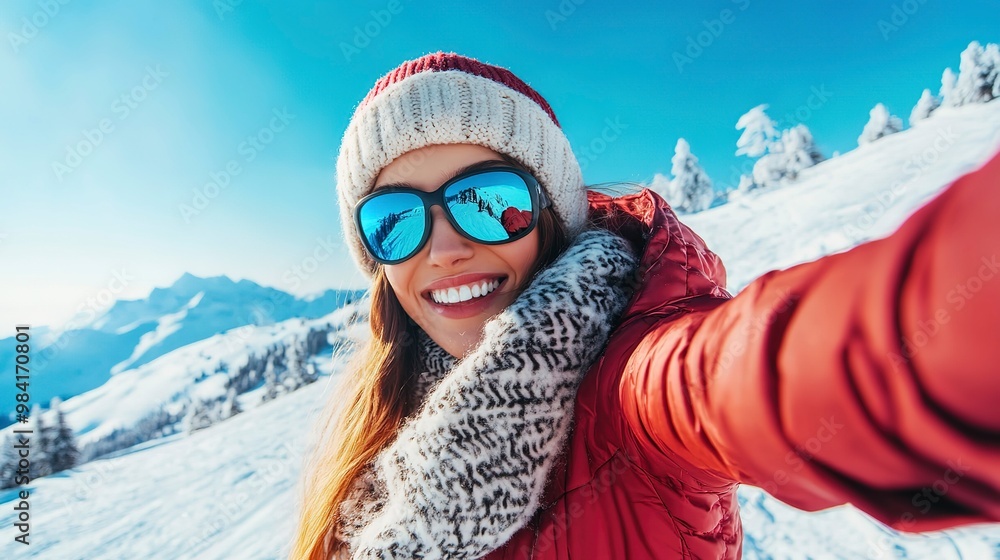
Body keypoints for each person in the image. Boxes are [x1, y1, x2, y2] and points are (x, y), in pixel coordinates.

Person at [291, 52, 1000, 559]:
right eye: (395, 221)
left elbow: (782, 370)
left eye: (489, 202)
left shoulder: (634, 389)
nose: (443, 247)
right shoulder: (374, 430)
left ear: (552, 214)